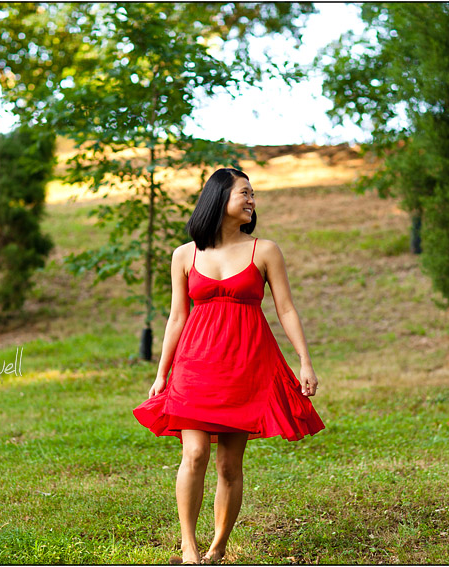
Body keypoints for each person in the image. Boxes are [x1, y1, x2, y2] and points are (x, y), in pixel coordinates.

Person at [133, 168, 325, 564]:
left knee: (229, 464)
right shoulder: (184, 255)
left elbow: (285, 308)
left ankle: (217, 547)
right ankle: (188, 547)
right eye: (245, 193)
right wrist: (161, 374)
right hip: (195, 365)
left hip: (247, 365)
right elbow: (176, 317)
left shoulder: (265, 250)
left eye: (253, 194)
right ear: (220, 197)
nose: (252, 200)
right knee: (196, 453)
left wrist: (305, 361)